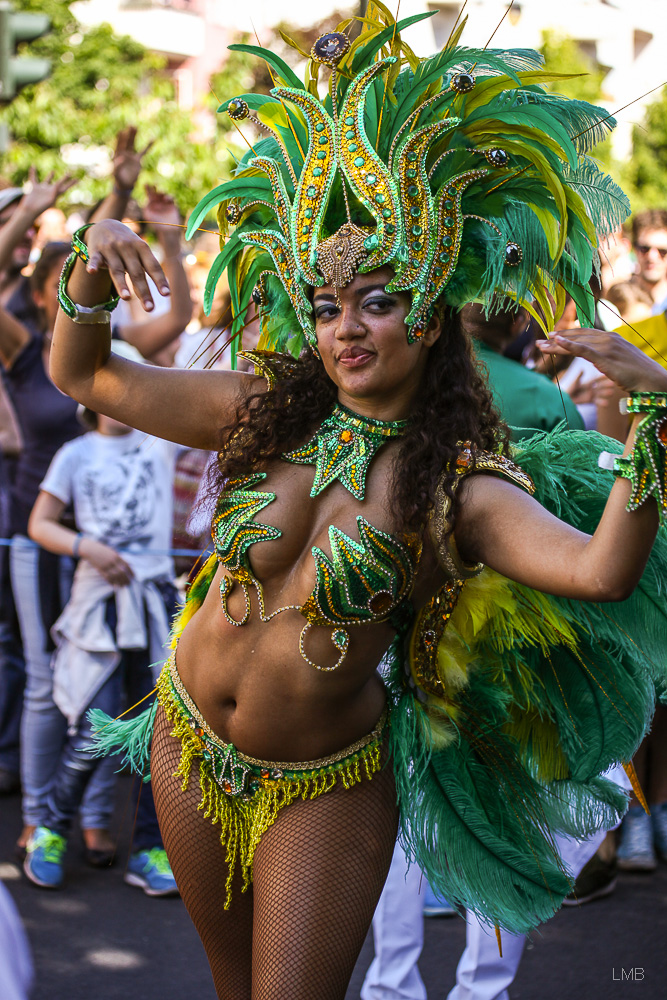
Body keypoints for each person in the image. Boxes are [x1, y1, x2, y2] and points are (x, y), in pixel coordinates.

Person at [49, 15, 667, 1000]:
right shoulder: (262, 410)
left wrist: (654, 418)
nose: (345, 326)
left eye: (376, 300)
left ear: (428, 315)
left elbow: (602, 569)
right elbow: (89, 374)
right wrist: (92, 254)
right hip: (184, 736)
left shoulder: (462, 489)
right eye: (327, 304)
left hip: (323, 779)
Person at [23, 340, 180, 895]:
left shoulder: (158, 444)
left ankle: (149, 850)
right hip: (96, 614)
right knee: (96, 730)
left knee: (156, 739)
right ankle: (49, 830)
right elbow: (40, 524)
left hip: (156, 612)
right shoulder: (76, 454)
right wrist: (86, 545)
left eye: (126, 385)